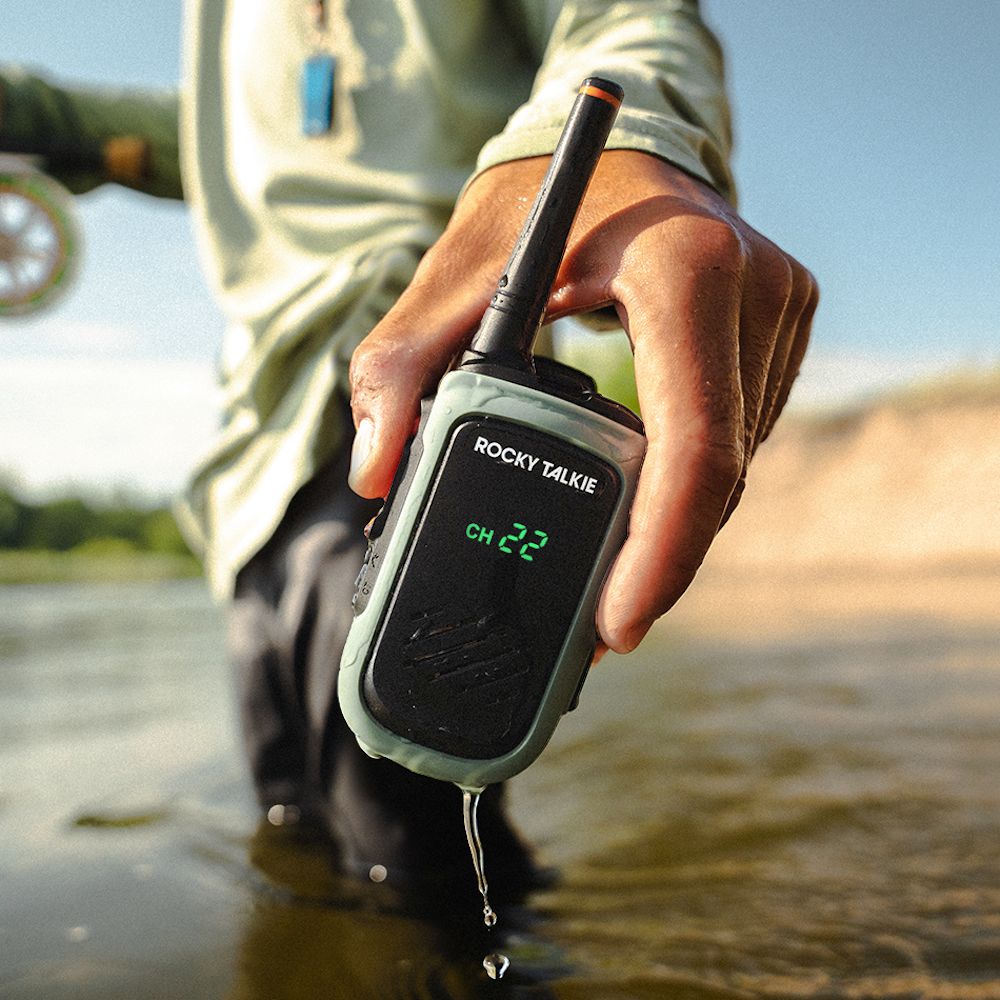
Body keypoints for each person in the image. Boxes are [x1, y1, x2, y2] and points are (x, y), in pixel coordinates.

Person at [0, 1, 816, 893]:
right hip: (248, 472)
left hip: (425, 395)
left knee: (410, 877)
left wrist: (645, 139)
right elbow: (215, 141)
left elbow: (632, 23)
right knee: (299, 833)